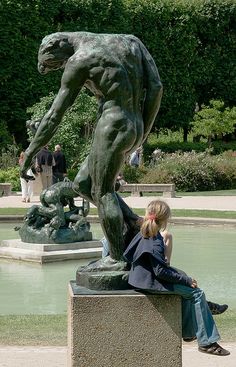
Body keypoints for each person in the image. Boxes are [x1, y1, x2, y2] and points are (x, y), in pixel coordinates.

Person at [20, 32, 163, 262]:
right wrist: (142, 130)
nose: (63, 68)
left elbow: (54, 115)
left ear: (59, 46)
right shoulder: (131, 41)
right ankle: (134, 223)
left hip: (112, 124)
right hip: (134, 123)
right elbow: (156, 87)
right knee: (82, 184)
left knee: (102, 192)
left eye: (59, 64)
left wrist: (30, 152)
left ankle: (116, 261)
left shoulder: (80, 59)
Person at [123, 199, 230, 356]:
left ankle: (189, 332)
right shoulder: (155, 240)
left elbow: (131, 257)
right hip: (149, 283)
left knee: (186, 282)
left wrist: (183, 278)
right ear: (165, 219)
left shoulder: (144, 233)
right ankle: (207, 343)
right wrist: (185, 280)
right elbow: (160, 272)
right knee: (196, 293)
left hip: (140, 278)